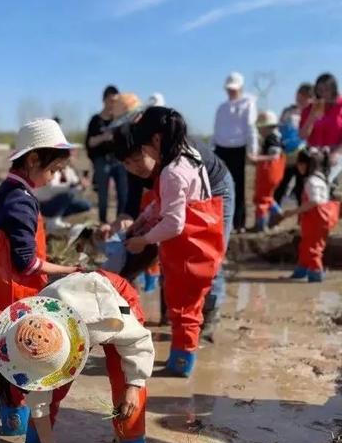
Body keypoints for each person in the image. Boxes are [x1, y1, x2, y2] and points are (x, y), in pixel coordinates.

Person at [0, 276, 154, 443]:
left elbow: (139, 341)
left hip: (112, 302)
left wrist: (134, 384)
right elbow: (39, 395)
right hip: (65, 304)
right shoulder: (28, 330)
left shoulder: (103, 324)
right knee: (55, 389)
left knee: (127, 395)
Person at [115, 107, 224, 377]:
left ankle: (181, 363)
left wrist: (143, 240)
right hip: (205, 240)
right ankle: (183, 354)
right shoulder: (189, 157)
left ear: (156, 140)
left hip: (187, 246)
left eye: (142, 147)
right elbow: (164, 204)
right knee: (191, 304)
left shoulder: (171, 173)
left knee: (182, 306)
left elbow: (174, 223)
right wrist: (142, 220)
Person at [0, 118, 79, 333]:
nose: (54, 177)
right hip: (15, 302)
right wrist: (69, 270)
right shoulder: (21, 202)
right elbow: (26, 264)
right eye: (54, 170)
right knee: (25, 358)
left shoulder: (4, 191)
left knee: (8, 359)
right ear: (33, 160)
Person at [283, 148, 340, 282]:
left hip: (316, 218)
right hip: (318, 218)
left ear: (306, 164)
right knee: (306, 244)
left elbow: (315, 201)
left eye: (299, 164)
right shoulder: (319, 176)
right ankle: (301, 270)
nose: (298, 167)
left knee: (312, 247)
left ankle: (316, 274)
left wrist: (293, 212)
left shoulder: (311, 182)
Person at [213, 71, 258, 232]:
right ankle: (221, 222)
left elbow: (251, 128)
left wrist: (252, 150)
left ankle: (239, 223)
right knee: (220, 185)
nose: (231, 91)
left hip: (239, 148)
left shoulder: (248, 103)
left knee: (239, 187)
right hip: (221, 148)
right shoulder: (222, 107)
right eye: (229, 89)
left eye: (234, 88)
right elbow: (216, 129)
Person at [85, 85, 129, 223]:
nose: (113, 104)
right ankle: (102, 223)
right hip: (102, 160)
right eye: (111, 100)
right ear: (104, 100)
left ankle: (119, 224)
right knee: (103, 196)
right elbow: (90, 142)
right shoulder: (95, 120)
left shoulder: (120, 120)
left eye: (116, 101)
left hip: (119, 161)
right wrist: (104, 137)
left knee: (123, 194)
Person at [274, 82, 314, 209]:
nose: (301, 98)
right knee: (281, 184)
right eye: (300, 95)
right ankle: (274, 215)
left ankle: (302, 218)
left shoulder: (313, 113)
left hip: (304, 154)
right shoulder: (288, 111)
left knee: (301, 187)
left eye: (306, 96)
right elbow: (279, 129)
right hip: (287, 155)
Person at [250, 111, 285, 232]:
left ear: (267, 127)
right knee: (266, 196)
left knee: (262, 199)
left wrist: (257, 158)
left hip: (269, 172)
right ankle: (278, 212)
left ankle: (261, 226)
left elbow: (275, 156)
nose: (259, 131)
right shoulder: (276, 136)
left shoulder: (272, 138)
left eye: (260, 128)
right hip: (273, 173)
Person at [35, 162, 91, 232]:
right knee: (67, 195)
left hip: (61, 201)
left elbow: (75, 190)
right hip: (44, 204)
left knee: (86, 205)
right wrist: (72, 185)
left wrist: (82, 187)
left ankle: (56, 218)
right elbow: (52, 188)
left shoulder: (69, 171)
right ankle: (54, 220)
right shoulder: (51, 170)